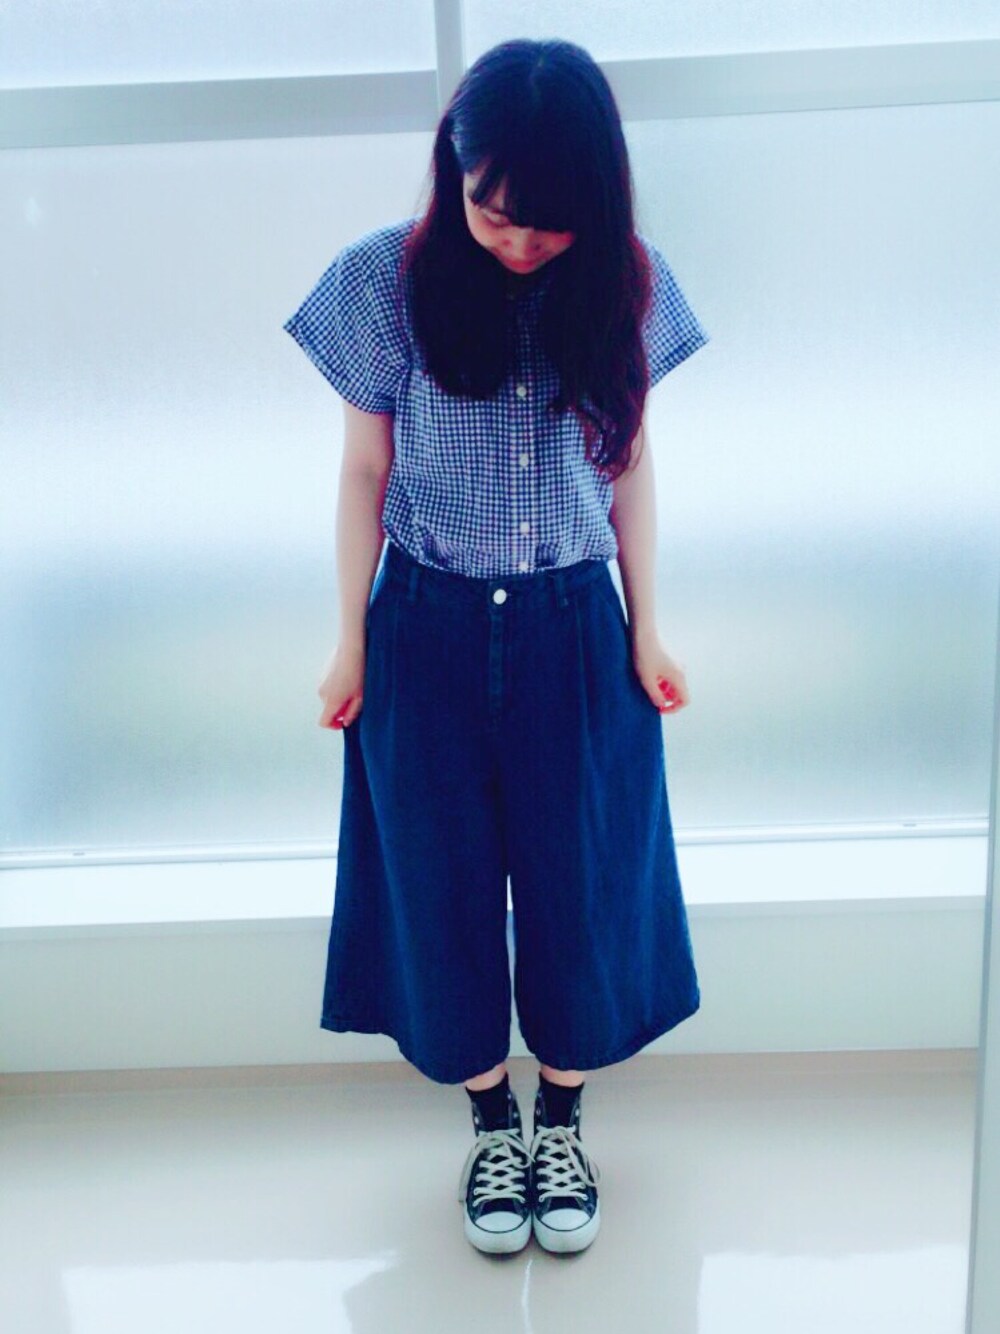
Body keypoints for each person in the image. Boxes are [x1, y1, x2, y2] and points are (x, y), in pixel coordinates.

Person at [282, 37, 709, 1258]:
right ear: (452, 173)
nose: (519, 240)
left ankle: (560, 1119)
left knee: (585, 878)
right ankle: (488, 1122)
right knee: (437, 878)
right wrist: (350, 641)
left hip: (574, 620)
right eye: (492, 210)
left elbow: (627, 464)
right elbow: (363, 471)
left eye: (548, 219)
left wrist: (646, 624)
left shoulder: (628, 282)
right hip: (424, 622)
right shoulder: (381, 279)